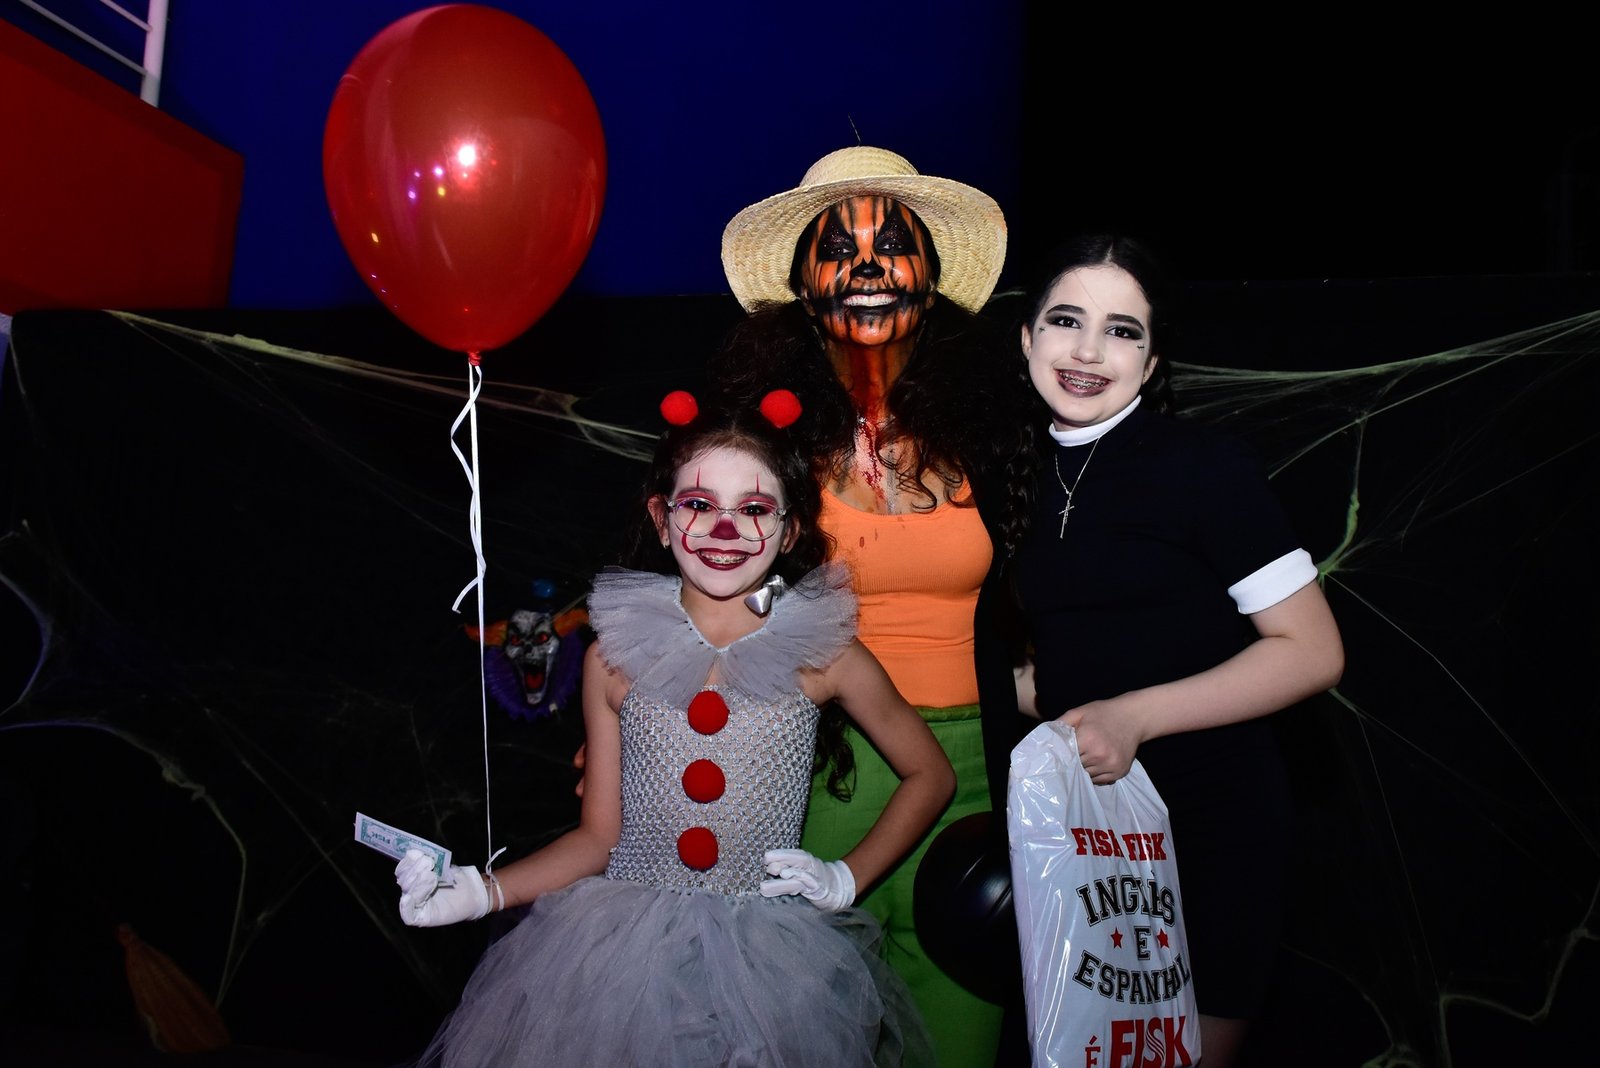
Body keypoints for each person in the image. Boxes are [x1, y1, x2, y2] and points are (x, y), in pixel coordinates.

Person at [394, 388, 955, 1067]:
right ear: (663, 520)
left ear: (790, 531)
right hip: (621, 961)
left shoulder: (823, 653)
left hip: (767, 967)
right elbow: (599, 837)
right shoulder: (612, 659)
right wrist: (482, 892)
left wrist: (845, 877)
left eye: (754, 509)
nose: (725, 530)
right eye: (698, 505)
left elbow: (931, 774)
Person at [711, 146, 1038, 1066]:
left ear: (930, 280)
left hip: (975, 783)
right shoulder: (763, 444)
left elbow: (1039, 604)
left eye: (892, 246)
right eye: (838, 249)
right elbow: (715, 600)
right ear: (801, 285)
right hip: (819, 774)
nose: (866, 266)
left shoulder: (991, 434)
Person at [1011, 234, 1346, 1067]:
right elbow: (1069, 649)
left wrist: (1134, 716)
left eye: (1123, 331)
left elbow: (1312, 652)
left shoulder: (1205, 467)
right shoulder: (1010, 475)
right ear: (1027, 337)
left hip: (1213, 825)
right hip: (1078, 837)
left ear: (1153, 361)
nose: (1088, 351)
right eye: (1066, 320)